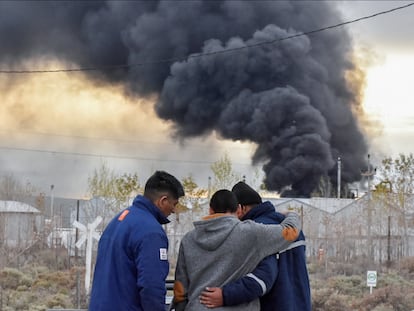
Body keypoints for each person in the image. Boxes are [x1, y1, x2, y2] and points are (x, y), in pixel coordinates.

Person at [169, 189, 301, 311]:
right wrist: (292, 214)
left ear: (210, 210)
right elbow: (290, 232)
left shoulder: (188, 239)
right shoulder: (251, 233)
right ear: (238, 209)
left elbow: (180, 288)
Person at [200, 181, 311, 311]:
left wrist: (225, 295)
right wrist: (292, 214)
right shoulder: (292, 228)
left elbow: (262, 278)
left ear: (241, 209)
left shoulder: (256, 231)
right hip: (301, 304)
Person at [89, 170, 185, 311]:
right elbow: (151, 286)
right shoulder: (151, 232)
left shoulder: (119, 220)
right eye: (174, 204)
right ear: (163, 201)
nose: (174, 210)